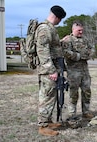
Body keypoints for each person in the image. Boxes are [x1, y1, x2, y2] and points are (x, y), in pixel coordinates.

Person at [35, 5, 66, 136]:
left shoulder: (50, 29)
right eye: (60, 19)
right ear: (57, 17)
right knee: (46, 97)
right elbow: (42, 51)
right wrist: (51, 70)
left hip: (53, 68)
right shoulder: (44, 28)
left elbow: (51, 48)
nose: (60, 22)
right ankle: (42, 126)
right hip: (49, 70)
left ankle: (47, 121)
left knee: (51, 96)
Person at [61, 20, 95, 121]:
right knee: (73, 93)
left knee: (87, 91)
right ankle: (72, 113)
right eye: (79, 30)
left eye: (82, 30)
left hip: (85, 71)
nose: (81, 32)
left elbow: (92, 48)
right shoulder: (68, 40)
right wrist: (79, 56)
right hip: (73, 71)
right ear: (73, 29)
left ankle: (86, 112)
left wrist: (89, 54)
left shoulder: (85, 39)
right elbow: (66, 52)